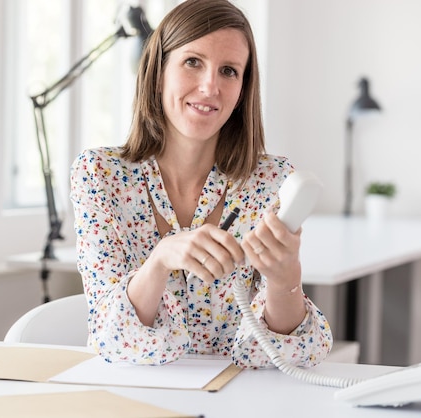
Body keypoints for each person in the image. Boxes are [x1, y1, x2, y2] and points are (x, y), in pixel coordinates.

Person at [69, 0, 332, 369]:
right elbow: (111, 338)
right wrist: (159, 261)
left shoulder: (270, 181)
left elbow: (295, 357)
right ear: (159, 70)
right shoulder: (100, 175)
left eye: (229, 71)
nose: (210, 87)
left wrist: (285, 278)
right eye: (193, 62)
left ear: (242, 89)